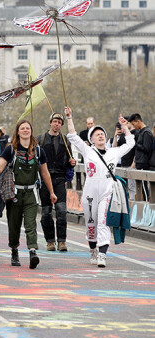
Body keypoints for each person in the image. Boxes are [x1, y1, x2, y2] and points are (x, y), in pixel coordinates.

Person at [65, 107, 134, 267]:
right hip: (90, 193)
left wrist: (124, 127)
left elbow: (131, 143)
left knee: (103, 222)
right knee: (91, 223)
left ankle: (102, 254)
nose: (101, 135)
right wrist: (69, 118)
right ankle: (92, 250)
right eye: (97, 134)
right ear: (92, 139)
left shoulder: (113, 152)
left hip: (107, 191)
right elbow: (73, 137)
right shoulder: (88, 150)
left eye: (102, 133)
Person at [0, 119, 56, 269]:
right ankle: (14, 251)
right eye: (22, 128)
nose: (25, 130)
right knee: (14, 225)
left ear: (31, 131)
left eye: (28, 128)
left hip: (31, 193)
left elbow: (45, 174)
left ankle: (32, 252)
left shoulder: (38, 151)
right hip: (14, 193)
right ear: (17, 132)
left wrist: (51, 192)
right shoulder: (10, 150)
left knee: (31, 224)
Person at [38, 113, 76, 252]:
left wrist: (72, 163)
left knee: (61, 211)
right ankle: (50, 241)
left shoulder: (65, 140)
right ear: (50, 123)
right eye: (55, 121)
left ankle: (62, 241)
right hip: (45, 180)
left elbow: (70, 160)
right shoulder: (41, 139)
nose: (57, 124)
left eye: (59, 122)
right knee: (46, 213)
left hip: (59, 179)